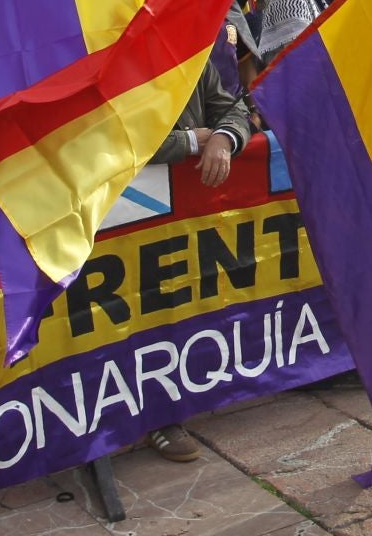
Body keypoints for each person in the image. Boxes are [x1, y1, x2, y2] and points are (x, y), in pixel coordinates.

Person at [135, 58, 254, 462]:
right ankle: (158, 416)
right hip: (134, 216)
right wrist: (188, 142)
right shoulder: (108, 54)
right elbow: (103, 138)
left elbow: (233, 108)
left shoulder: (191, 55)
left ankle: (189, 392)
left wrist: (223, 137)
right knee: (146, 310)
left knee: (192, 300)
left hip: (187, 211)